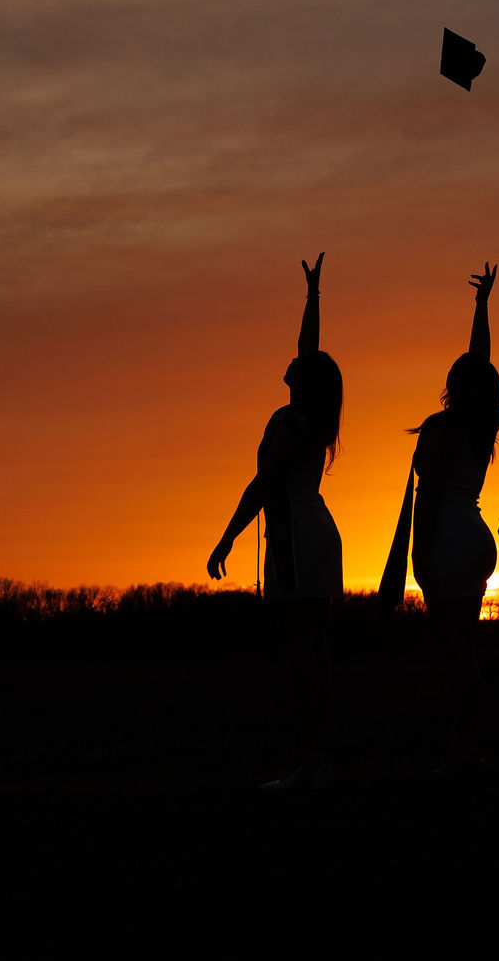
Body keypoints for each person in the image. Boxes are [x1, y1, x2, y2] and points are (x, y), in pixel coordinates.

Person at [207, 253, 344, 790]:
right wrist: (313, 297)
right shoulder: (313, 415)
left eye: (297, 364)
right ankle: (318, 757)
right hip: (318, 532)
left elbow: (263, 486)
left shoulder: (288, 421)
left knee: (299, 652)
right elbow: (310, 351)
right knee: (315, 647)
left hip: (293, 537)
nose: (289, 361)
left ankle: (307, 758)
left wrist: (227, 536)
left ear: (301, 382)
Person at [410, 262, 499, 773]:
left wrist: (418, 556)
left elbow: (427, 498)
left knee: (450, 652)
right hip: (476, 537)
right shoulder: (483, 423)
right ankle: (473, 744)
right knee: (466, 647)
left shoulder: (442, 427)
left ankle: (461, 748)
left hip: (445, 539)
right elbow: (480, 364)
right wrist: (482, 306)